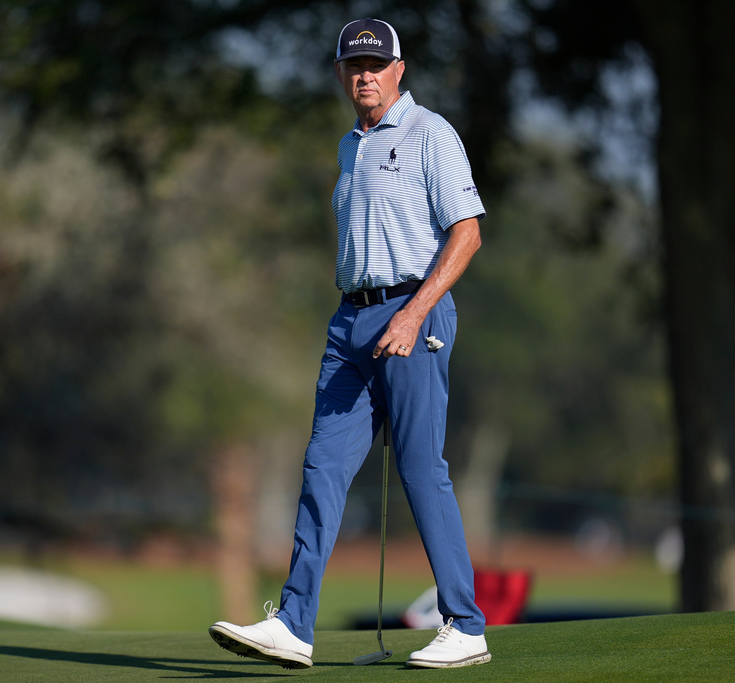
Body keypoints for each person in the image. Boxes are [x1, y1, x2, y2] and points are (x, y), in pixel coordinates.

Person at [208, 17, 490, 669]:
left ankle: (466, 622)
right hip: (351, 323)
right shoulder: (349, 146)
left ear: (399, 69)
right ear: (341, 73)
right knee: (320, 469)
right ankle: (295, 623)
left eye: (376, 64)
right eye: (353, 65)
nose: (365, 74)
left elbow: (468, 232)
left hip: (414, 313)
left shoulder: (430, 134)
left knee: (420, 468)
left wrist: (414, 313)